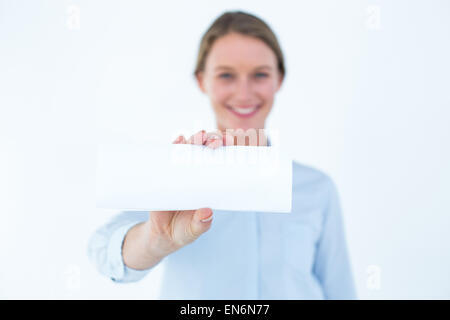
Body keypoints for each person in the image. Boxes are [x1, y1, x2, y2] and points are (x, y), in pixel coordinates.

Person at [87, 10, 357, 299]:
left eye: (260, 74)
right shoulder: (177, 177)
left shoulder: (317, 188)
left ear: (279, 79)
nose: (243, 93)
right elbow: (103, 250)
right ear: (202, 81)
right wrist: (155, 241)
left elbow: (339, 289)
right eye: (226, 75)